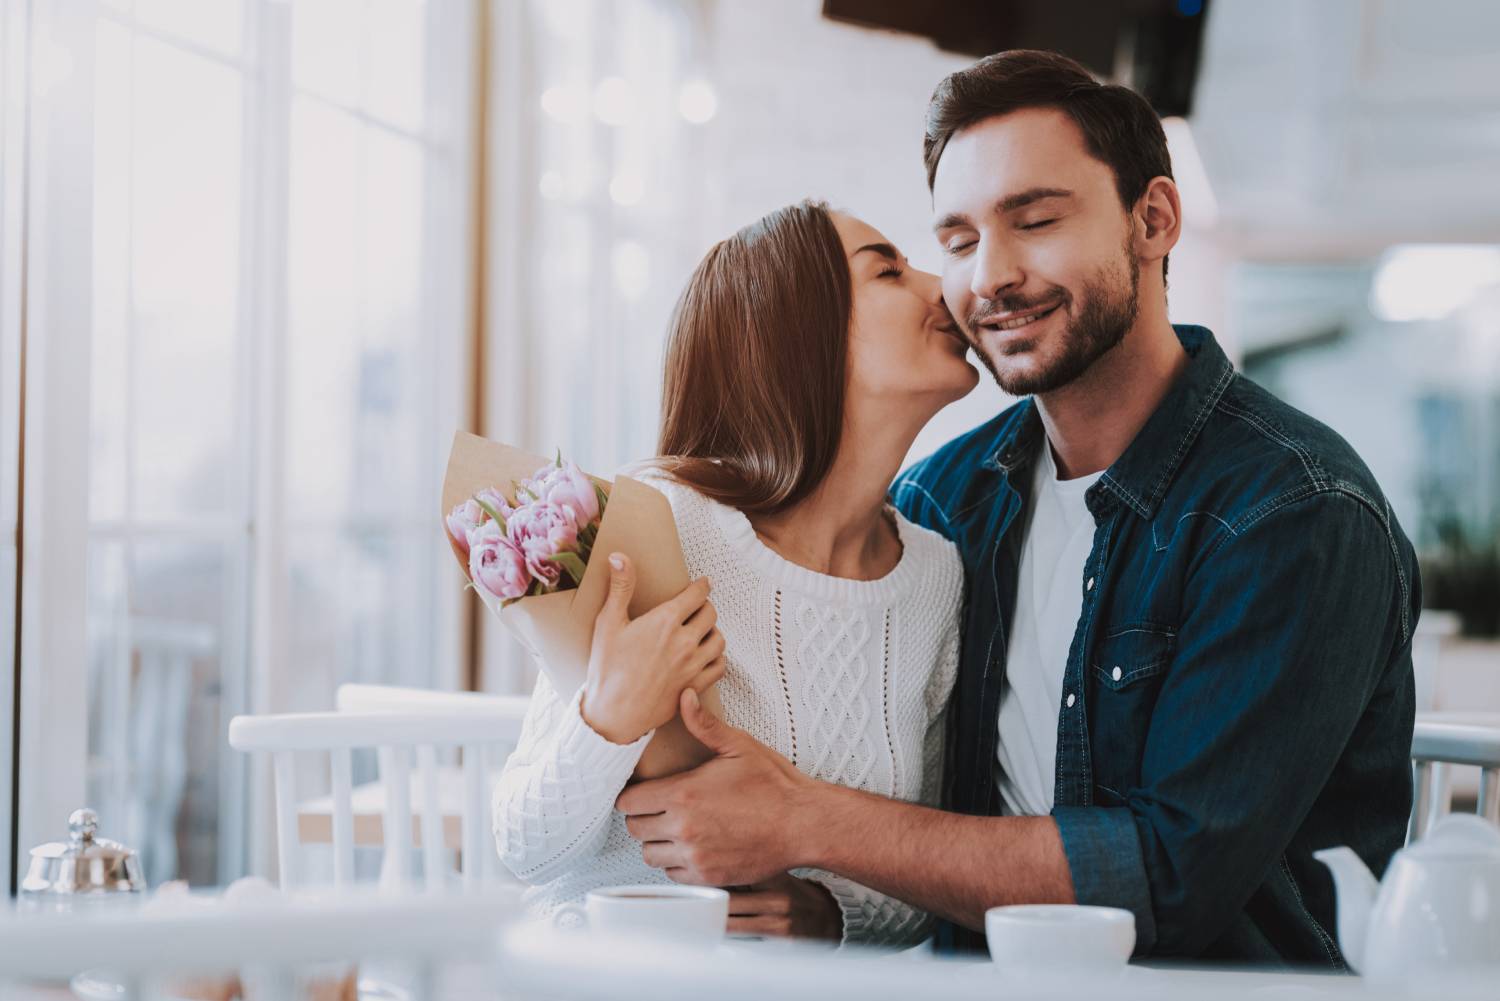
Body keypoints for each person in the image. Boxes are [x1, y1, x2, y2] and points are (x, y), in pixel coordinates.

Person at [615, 50, 1419, 966]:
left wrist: (804, 823)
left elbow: (1165, 877)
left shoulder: (1295, 513)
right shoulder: (942, 506)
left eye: (1034, 220)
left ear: (1152, 219)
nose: (989, 279)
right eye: (957, 241)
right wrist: (816, 903)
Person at [492, 199, 980, 945]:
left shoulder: (936, 579)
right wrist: (608, 719)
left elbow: (924, 879)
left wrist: (830, 911)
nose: (943, 287)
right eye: (888, 270)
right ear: (798, 335)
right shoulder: (659, 523)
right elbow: (523, 847)